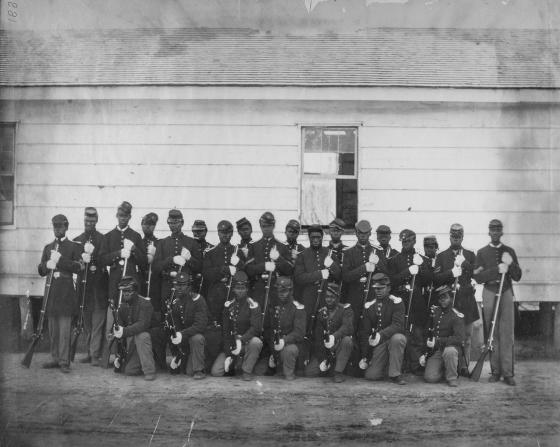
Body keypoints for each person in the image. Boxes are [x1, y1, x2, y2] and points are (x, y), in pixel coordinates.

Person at [473, 219, 522, 386]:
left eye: (498, 230)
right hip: (490, 291)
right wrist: (496, 271)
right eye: (492, 230)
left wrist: (511, 264)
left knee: (507, 332)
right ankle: (495, 371)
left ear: (501, 232)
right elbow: (477, 277)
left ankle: (508, 372)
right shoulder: (482, 252)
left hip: (506, 291)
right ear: (489, 232)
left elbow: (518, 276)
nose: (495, 232)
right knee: (492, 332)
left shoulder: (509, 251)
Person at [38, 214, 82, 373]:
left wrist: (60, 260)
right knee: (53, 329)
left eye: (61, 226)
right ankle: (55, 357)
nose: (58, 229)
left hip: (66, 292)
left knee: (64, 329)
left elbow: (78, 267)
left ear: (66, 227)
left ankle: (64, 361)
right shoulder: (48, 247)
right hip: (51, 292)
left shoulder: (74, 246)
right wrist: (46, 265)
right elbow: (41, 271)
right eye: (55, 226)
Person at [435, 224, 479, 369]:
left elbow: (477, 275)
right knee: (451, 336)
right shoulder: (441, 256)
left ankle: (464, 367)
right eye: (453, 236)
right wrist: (451, 274)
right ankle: (450, 366)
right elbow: (437, 279)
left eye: (458, 237)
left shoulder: (470, 254)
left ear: (462, 237)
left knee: (466, 337)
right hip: (449, 303)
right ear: (449, 236)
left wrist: (465, 263)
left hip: (466, 301)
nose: (456, 239)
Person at [388, 229, 431, 375]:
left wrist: (421, 268)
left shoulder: (422, 259)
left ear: (414, 241)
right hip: (401, 301)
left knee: (417, 334)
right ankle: (401, 364)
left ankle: (416, 365)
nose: (406, 243)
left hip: (417, 302)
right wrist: (407, 272)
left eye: (408, 241)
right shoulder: (394, 259)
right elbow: (392, 281)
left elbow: (428, 280)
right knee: (401, 332)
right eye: (403, 241)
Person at [202, 220, 244, 371]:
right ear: (218, 233)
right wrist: (225, 269)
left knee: (233, 327)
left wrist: (238, 267)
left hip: (233, 296)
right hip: (217, 298)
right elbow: (207, 274)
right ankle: (215, 359)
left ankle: (232, 359)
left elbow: (244, 274)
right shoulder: (211, 252)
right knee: (217, 329)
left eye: (228, 233)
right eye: (222, 232)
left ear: (232, 233)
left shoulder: (238, 251)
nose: (225, 235)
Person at [73, 207, 109, 366]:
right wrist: (81, 261)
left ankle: (95, 354)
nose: (89, 223)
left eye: (92, 221)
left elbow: (104, 260)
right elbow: (74, 263)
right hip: (84, 288)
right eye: (87, 220)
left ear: (96, 221)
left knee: (98, 322)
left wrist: (93, 258)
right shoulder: (77, 239)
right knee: (86, 322)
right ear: (84, 220)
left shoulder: (103, 239)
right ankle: (89, 352)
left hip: (99, 287)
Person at [211, 271, 263, 380]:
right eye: (237, 288)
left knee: (256, 342)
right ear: (233, 289)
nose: (240, 291)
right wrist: (228, 352)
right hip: (232, 345)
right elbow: (225, 331)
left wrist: (242, 340)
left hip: (246, 343)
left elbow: (256, 328)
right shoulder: (228, 305)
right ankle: (235, 363)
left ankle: (247, 371)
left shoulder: (253, 305)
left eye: (242, 288)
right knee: (216, 372)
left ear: (247, 289)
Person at [359, 273, 407, 385]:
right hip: (378, 344)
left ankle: (395, 374)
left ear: (389, 288)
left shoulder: (396, 302)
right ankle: (385, 367)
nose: (378, 291)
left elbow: (398, 325)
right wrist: (365, 355)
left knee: (398, 339)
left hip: (392, 339)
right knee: (371, 376)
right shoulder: (369, 306)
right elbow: (365, 331)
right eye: (376, 289)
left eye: (381, 288)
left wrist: (380, 335)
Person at [107, 276, 157, 380]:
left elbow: (142, 325)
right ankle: (143, 362)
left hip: (152, 340)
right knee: (130, 371)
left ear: (135, 291)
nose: (125, 293)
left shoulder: (145, 304)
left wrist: (123, 331)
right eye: (124, 291)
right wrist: (114, 333)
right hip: (134, 343)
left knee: (142, 335)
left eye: (129, 291)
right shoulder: (123, 307)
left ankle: (150, 371)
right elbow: (118, 328)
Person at [341, 220, 388, 330]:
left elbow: (386, 274)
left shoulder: (378, 251)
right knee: (353, 329)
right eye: (360, 233)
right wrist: (364, 268)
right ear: (356, 233)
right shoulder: (348, 252)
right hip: (354, 297)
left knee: (371, 328)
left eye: (366, 233)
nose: (363, 236)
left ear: (370, 233)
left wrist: (378, 264)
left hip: (373, 296)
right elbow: (346, 277)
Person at [99, 201, 147, 307]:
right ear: (117, 216)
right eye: (121, 215)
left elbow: (144, 262)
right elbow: (102, 259)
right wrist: (118, 253)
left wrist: (134, 249)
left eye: (126, 216)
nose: (123, 218)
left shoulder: (136, 236)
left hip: (131, 279)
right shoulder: (108, 236)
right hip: (114, 281)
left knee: (130, 309)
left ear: (130, 217)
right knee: (114, 310)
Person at [152, 209, 202, 307]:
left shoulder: (192, 242)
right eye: (170, 223)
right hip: (167, 286)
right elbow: (155, 267)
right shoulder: (162, 243)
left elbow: (199, 267)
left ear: (182, 223)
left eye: (176, 223)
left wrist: (190, 259)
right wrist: (171, 260)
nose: (173, 225)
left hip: (186, 287)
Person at [294, 224, 341, 329]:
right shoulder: (302, 255)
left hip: (327, 297)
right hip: (308, 297)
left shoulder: (329, 253)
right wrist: (319, 274)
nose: (315, 240)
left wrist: (332, 265)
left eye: (318, 237)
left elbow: (339, 275)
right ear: (309, 238)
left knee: (325, 327)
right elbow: (299, 278)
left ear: (322, 237)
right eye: (313, 237)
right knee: (308, 326)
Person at [304, 284, 354, 383]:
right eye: (327, 297)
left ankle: (338, 371)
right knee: (309, 373)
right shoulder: (321, 313)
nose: (329, 300)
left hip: (340, 346)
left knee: (347, 340)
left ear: (337, 297)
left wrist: (334, 337)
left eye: (332, 297)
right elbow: (318, 337)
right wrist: (322, 358)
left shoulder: (346, 310)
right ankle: (329, 367)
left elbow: (347, 327)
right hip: (325, 350)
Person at [245, 211, 294, 309]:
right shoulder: (254, 246)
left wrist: (279, 259)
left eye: (269, 226)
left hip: (277, 288)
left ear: (274, 225)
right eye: (263, 226)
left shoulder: (282, 246)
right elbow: (248, 270)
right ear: (260, 226)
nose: (266, 229)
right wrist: (263, 266)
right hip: (259, 288)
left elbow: (290, 270)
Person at [165, 271, 209, 379]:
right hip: (187, 340)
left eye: (183, 285)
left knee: (196, 338)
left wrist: (181, 334)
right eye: (177, 285)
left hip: (202, 339)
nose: (179, 288)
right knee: (187, 371)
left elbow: (200, 326)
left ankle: (200, 370)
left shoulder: (198, 300)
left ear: (189, 286)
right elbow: (176, 327)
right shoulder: (175, 303)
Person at [423, 285, 466, 387]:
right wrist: (424, 352)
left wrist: (438, 341)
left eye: (445, 297)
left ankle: (452, 377)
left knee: (449, 351)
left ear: (451, 298)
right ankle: (444, 369)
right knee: (430, 378)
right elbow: (427, 333)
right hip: (437, 351)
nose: (442, 300)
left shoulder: (456, 315)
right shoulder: (435, 312)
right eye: (440, 298)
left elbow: (459, 339)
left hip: (452, 349)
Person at [265, 276, 306, 380]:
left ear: (291, 291)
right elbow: (268, 329)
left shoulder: (298, 308)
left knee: (289, 351)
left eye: (285, 291)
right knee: (260, 372)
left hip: (291, 346)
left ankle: (289, 375)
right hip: (274, 348)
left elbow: (299, 333)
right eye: (279, 291)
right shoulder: (272, 306)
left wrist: (284, 340)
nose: (282, 294)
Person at [140, 212, 161, 319]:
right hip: (141, 285)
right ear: (141, 225)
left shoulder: (160, 243)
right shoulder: (138, 243)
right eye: (145, 224)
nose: (147, 226)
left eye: (151, 224)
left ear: (154, 226)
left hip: (155, 286)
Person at [191, 219, 214, 295]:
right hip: (191, 285)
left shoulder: (211, 248)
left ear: (205, 232)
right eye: (195, 231)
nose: (197, 233)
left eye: (200, 231)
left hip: (206, 285)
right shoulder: (187, 247)